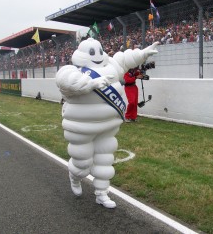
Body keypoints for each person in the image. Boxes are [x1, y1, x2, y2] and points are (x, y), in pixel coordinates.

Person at [56, 38, 159, 209]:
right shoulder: (72, 70)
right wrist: (90, 84)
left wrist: (141, 54)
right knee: (82, 164)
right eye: (91, 52)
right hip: (81, 129)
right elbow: (67, 81)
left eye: (99, 50)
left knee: (105, 161)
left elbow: (124, 59)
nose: (96, 55)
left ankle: (101, 194)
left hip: (108, 127)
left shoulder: (110, 66)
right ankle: (74, 177)